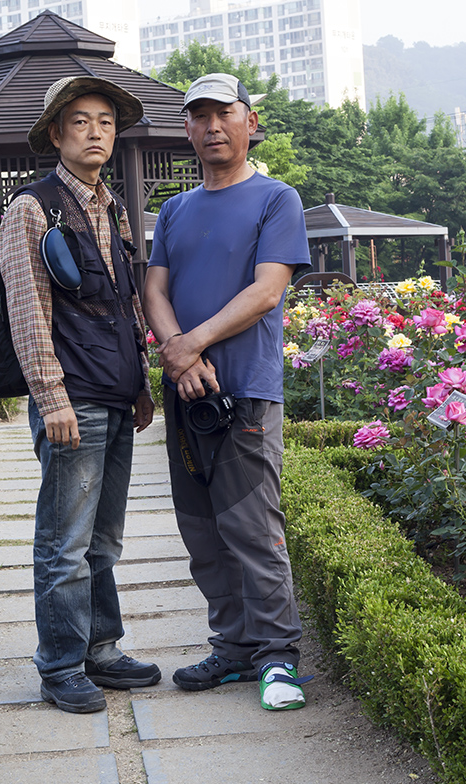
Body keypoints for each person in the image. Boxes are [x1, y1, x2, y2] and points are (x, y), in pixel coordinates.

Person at [143, 73, 313, 711]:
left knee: (251, 525)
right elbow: (154, 290)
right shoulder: (175, 210)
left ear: (250, 121)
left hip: (245, 390)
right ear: (186, 128)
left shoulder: (277, 199)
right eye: (200, 116)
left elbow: (267, 290)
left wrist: (190, 344)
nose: (213, 126)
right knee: (201, 529)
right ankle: (234, 647)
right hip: (186, 393)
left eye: (225, 113)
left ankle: (277, 657)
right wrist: (177, 352)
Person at [0, 75, 160, 714]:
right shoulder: (31, 208)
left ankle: (101, 650)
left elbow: (126, 303)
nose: (96, 132)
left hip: (116, 397)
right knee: (64, 544)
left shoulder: (113, 207)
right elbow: (28, 312)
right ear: (56, 134)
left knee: (103, 540)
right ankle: (61, 665)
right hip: (73, 399)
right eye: (81, 121)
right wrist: (51, 398)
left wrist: (141, 384)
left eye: (106, 122)